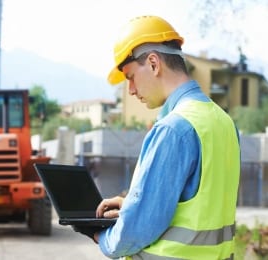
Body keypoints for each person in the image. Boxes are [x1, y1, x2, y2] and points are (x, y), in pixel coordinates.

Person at [73, 15, 240, 259]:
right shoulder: (224, 123)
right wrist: (131, 204)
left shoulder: (173, 129)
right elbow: (199, 203)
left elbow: (135, 232)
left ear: (153, 63)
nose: (130, 89)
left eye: (130, 76)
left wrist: (100, 237)